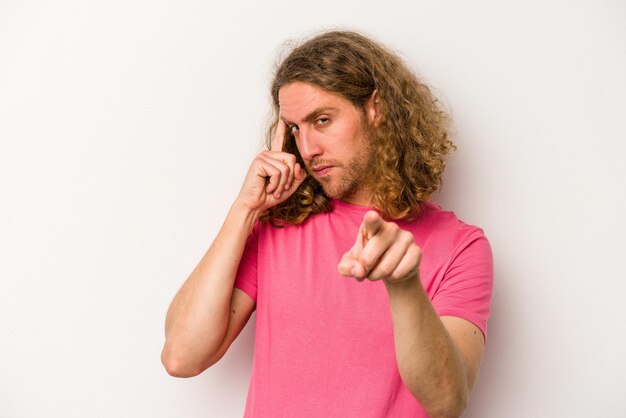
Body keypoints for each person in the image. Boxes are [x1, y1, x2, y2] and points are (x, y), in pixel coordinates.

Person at [161, 30, 493, 418]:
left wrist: (403, 285)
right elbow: (181, 356)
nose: (307, 149)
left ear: (376, 108)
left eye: (322, 120)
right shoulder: (279, 224)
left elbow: (447, 401)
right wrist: (245, 209)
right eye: (296, 128)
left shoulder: (460, 246)